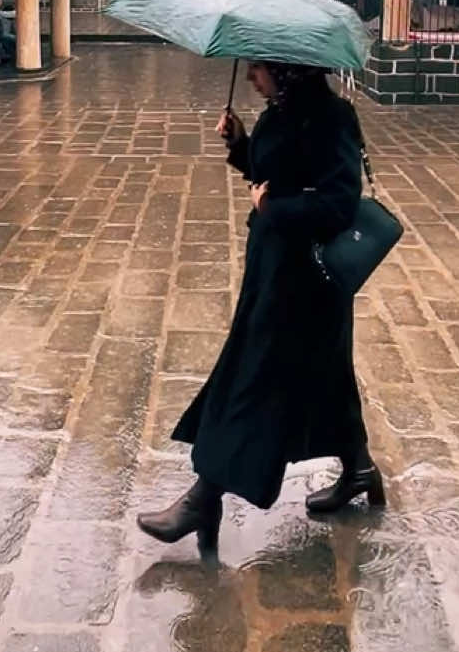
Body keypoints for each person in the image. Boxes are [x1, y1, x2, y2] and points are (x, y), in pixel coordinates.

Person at [137, 60, 383, 553]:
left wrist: (274, 208)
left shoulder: (332, 118)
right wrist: (240, 144)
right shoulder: (280, 110)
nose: (251, 77)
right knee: (326, 377)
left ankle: (204, 499)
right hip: (271, 270)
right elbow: (271, 174)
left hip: (304, 284)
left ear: (287, 70)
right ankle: (359, 469)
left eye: (259, 68)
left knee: (250, 379)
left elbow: (338, 203)